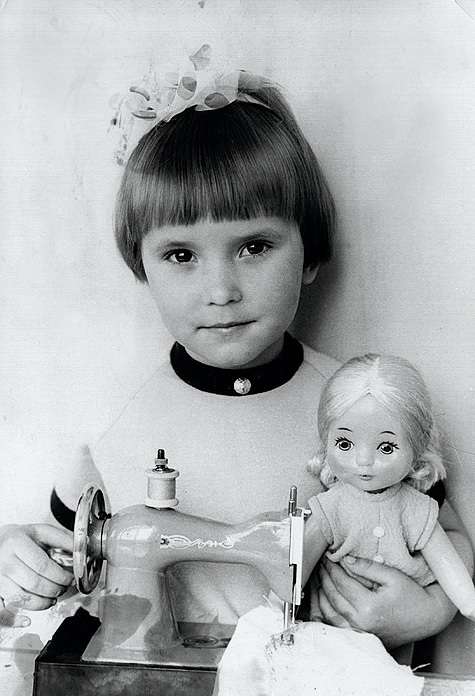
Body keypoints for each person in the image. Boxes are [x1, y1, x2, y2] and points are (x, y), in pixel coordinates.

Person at [0, 48, 471, 654]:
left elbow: (443, 530)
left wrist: (429, 610)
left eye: (254, 247)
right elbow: (65, 554)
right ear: (141, 267)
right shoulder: (117, 425)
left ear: (311, 254)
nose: (221, 290)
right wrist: (18, 554)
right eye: (181, 255)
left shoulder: (362, 402)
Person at [304, 353, 475, 622]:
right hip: (329, 627)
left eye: (386, 447)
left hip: (404, 630)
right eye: (344, 444)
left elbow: (447, 563)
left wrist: (468, 603)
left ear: (417, 446)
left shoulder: (419, 509)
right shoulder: (329, 508)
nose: (363, 461)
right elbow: (296, 569)